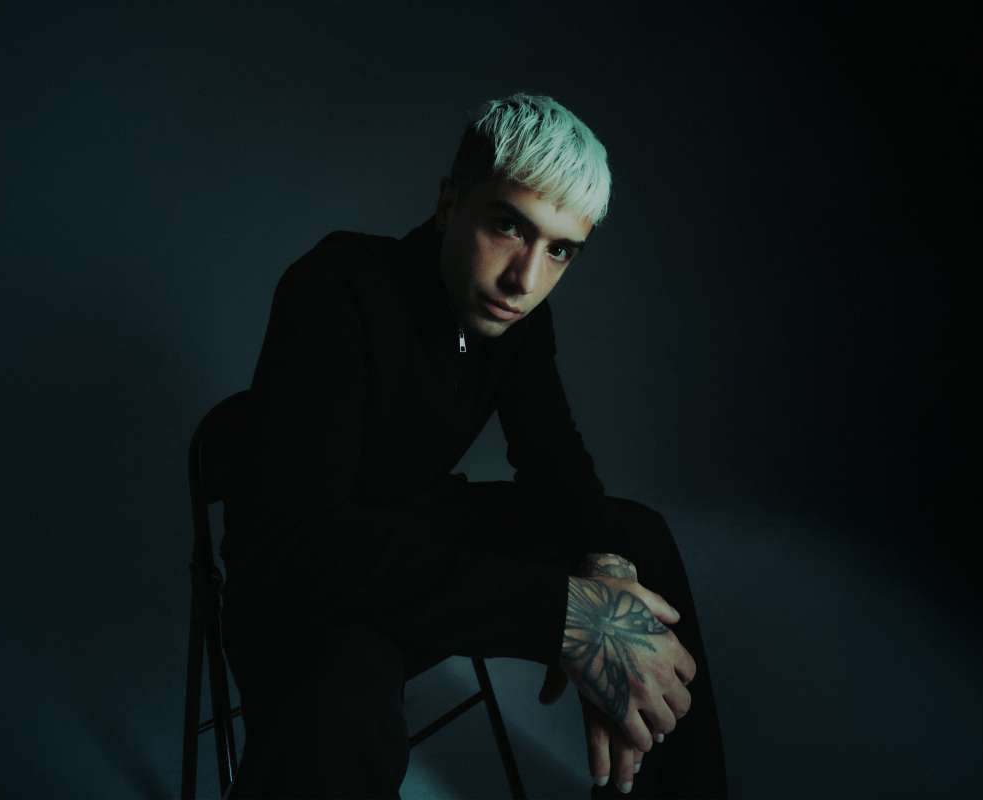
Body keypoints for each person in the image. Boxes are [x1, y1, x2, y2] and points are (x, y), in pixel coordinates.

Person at [219, 92, 727, 799]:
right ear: (449, 203)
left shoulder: (517, 318)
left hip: (421, 537)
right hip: (304, 575)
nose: (525, 280)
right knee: (341, 699)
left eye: (559, 250)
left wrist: (610, 593)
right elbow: (302, 543)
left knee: (634, 540)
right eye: (508, 226)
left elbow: (557, 464)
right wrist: (567, 618)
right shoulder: (336, 283)